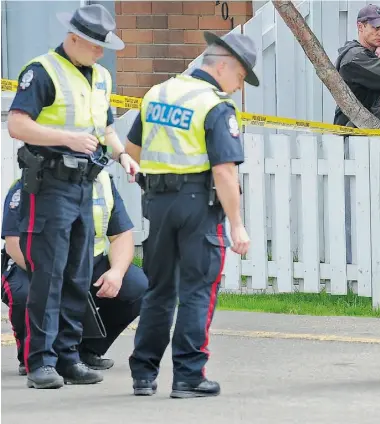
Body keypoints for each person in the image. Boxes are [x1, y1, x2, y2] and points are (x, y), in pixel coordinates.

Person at [5, 4, 139, 389]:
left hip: (86, 185)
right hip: (49, 186)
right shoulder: (42, 71)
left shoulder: (100, 77)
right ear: (74, 38)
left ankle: (68, 356)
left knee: (77, 276)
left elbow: (106, 129)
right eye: (96, 46)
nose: (101, 53)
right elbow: (17, 124)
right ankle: (40, 363)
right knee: (49, 275)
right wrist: (66, 138)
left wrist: (123, 156)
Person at [124, 30, 255, 399]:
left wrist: (156, 188)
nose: (238, 88)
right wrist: (237, 225)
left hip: (159, 204)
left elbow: (132, 152)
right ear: (224, 65)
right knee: (198, 290)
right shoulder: (214, 105)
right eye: (241, 78)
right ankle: (188, 375)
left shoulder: (157, 94)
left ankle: (143, 373)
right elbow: (224, 171)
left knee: (159, 290)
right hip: (198, 205)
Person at [1, 171, 149, 377]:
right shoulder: (31, 179)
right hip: (34, 264)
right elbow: (14, 243)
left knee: (135, 285)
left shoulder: (103, 181)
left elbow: (121, 235)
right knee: (25, 294)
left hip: (86, 262)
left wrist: (116, 271)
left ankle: (83, 351)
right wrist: (51, 275)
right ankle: (33, 356)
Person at [334, 4, 380, 129]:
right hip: (353, 137)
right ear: (360, 26)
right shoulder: (355, 57)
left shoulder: (364, 54)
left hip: (363, 135)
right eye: (376, 28)